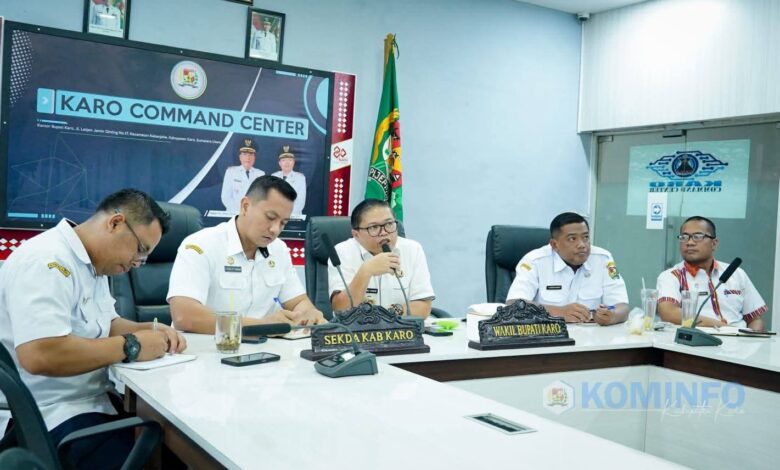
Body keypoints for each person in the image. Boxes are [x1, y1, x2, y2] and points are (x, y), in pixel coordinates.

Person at [0, 189, 186, 469]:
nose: (137, 263)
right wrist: (132, 345)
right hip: (51, 416)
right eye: (140, 249)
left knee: (176, 448)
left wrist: (149, 329)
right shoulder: (47, 261)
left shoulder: (94, 264)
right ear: (115, 223)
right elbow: (40, 354)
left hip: (95, 402)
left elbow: (107, 324)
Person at [169, 175, 324, 333]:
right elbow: (184, 316)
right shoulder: (200, 245)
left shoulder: (279, 249)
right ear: (245, 206)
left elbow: (298, 302)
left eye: (283, 223)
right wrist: (262, 326)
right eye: (270, 217)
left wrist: (309, 313)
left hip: (267, 345)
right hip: (207, 346)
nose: (275, 229)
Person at [506, 212, 629, 325]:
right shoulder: (535, 261)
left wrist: (613, 316)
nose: (582, 245)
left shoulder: (603, 259)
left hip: (592, 336)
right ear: (555, 245)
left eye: (585, 237)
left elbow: (622, 306)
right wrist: (558, 312)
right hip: (549, 336)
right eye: (572, 239)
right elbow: (514, 304)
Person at [328, 199, 435, 318]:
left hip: (400, 327)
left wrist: (387, 316)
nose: (384, 232)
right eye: (374, 227)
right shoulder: (342, 252)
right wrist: (366, 271)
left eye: (389, 224)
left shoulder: (413, 249)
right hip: (356, 329)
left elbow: (423, 306)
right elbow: (341, 310)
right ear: (356, 235)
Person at [656, 216, 767, 330]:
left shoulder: (736, 273)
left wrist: (750, 338)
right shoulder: (672, 276)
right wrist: (726, 329)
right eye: (684, 237)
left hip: (739, 339)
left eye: (697, 237)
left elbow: (755, 319)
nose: (689, 242)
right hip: (698, 339)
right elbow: (669, 313)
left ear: (714, 243)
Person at [221, 138, 265, 213]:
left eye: (251, 154)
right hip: (234, 214)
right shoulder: (231, 172)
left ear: (254, 158)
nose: (248, 158)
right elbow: (226, 197)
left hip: (253, 214)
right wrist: (241, 212)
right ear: (240, 157)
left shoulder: (261, 174)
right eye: (244, 154)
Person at [271, 146, 306, 215]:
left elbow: (300, 203)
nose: (287, 163)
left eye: (290, 160)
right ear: (279, 163)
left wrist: (286, 215)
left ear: (294, 162)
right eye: (284, 160)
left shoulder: (300, 178)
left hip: (294, 217)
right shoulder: (274, 176)